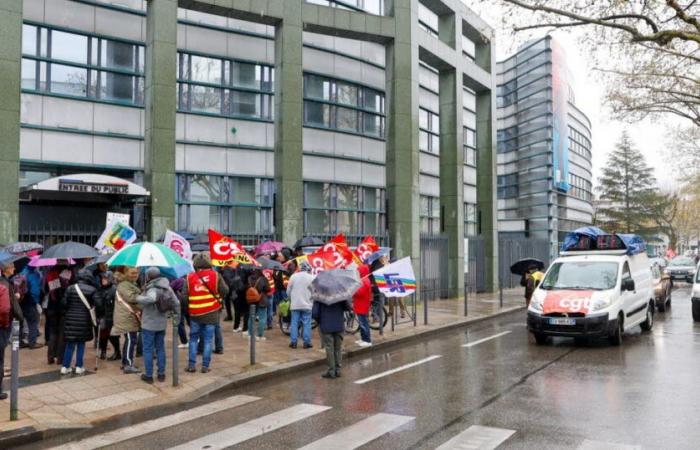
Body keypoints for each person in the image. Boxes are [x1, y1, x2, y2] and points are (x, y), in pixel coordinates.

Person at [183, 252, 228, 373]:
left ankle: (191, 365)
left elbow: (183, 297)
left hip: (195, 313)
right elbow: (225, 290)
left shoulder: (189, 277)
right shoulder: (216, 275)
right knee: (208, 340)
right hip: (211, 312)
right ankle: (205, 366)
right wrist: (218, 298)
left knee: (193, 339)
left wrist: (187, 310)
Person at [137, 267, 180, 384]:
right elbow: (176, 303)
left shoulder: (152, 288)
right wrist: (177, 318)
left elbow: (151, 299)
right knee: (160, 348)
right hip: (161, 324)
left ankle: (149, 375)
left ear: (148, 276)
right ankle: (161, 374)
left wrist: (138, 297)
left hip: (149, 325)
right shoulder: (167, 287)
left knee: (148, 350)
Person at [60, 269, 96, 375]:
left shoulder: (70, 288)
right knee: (81, 343)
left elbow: (63, 303)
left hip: (70, 319)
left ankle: (65, 366)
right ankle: (79, 366)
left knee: (70, 344)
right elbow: (97, 304)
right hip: (84, 320)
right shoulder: (92, 290)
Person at [111, 266, 142, 374]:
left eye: (136, 273)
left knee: (130, 339)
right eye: (132, 273)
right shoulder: (124, 284)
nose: (135, 275)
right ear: (125, 273)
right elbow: (131, 298)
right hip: (127, 316)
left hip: (128, 315)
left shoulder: (129, 284)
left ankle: (125, 362)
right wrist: (144, 296)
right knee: (131, 340)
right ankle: (128, 364)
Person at [0, 260, 24, 400]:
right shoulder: (4, 284)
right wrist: (4, 323)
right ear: (6, 269)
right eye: (12, 266)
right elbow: (4, 309)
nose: (14, 268)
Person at [312, 296, 351, 379]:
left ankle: (331, 371)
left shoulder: (319, 296)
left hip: (326, 326)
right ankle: (338, 370)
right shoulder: (340, 295)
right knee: (338, 348)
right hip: (339, 325)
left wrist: (320, 320)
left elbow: (315, 313)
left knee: (329, 348)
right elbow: (348, 307)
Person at [45, 261, 72, 365]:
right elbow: (67, 289)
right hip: (63, 308)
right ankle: (60, 358)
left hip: (52, 307)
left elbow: (47, 289)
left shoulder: (51, 272)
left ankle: (50, 357)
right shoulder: (67, 272)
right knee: (62, 333)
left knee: (53, 332)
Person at [93, 271, 120, 361]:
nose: (103, 280)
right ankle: (103, 351)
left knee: (112, 335)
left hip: (111, 316)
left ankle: (117, 352)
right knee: (102, 335)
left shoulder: (114, 289)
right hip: (102, 315)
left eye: (105, 278)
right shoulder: (99, 289)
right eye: (102, 278)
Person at [286, 264, 314, 349]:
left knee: (294, 323)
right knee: (307, 324)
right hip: (307, 304)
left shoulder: (293, 277)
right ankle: (306, 342)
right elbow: (314, 291)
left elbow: (288, 291)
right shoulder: (312, 277)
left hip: (295, 304)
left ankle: (293, 342)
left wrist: (291, 299)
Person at [19, 264, 42, 349]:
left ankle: (19, 342)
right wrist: (35, 301)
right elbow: (35, 291)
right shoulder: (33, 275)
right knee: (33, 322)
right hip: (30, 301)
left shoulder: (22, 272)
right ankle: (32, 343)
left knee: (20, 322)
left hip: (20, 301)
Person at [353, 264, 373, 347]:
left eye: (359, 271)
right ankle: (363, 338)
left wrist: (353, 289)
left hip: (362, 306)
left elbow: (359, 293)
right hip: (360, 305)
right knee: (362, 323)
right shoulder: (363, 280)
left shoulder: (364, 281)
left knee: (363, 323)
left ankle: (367, 340)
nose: (357, 272)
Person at [247, 272, 270, 341]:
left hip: (252, 300)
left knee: (251, 317)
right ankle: (260, 335)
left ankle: (250, 334)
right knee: (262, 318)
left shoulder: (249, 278)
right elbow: (268, 289)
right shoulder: (263, 279)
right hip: (262, 300)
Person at [232, 265, 249, 333]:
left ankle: (236, 327)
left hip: (235, 293)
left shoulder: (235, 268)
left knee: (237, 311)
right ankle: (245, 328)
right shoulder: (246, 268)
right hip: (243, 293)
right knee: (246, 311)